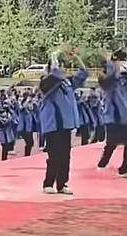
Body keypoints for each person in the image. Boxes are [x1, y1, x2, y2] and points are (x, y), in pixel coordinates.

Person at [37, 49, 89, 194]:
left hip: (67, 124)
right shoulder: (46, 83)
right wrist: (54, 58)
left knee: (65, 155)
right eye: (57, 65)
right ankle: (48, 183)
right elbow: (55, 75)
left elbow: (84, 73)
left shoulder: (67, 82)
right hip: (53, 125)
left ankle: (62, 184)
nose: (61, 68)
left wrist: (76, 57)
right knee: (54, 156)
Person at [96, 50, 127, 178]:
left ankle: (124, 169)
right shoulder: (106, 79)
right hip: (113, 118)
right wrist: (112, 67)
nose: (121, 64)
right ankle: (102, 163)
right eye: (118, 61)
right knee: (111, 144)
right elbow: (109, 79)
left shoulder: (124, 79)